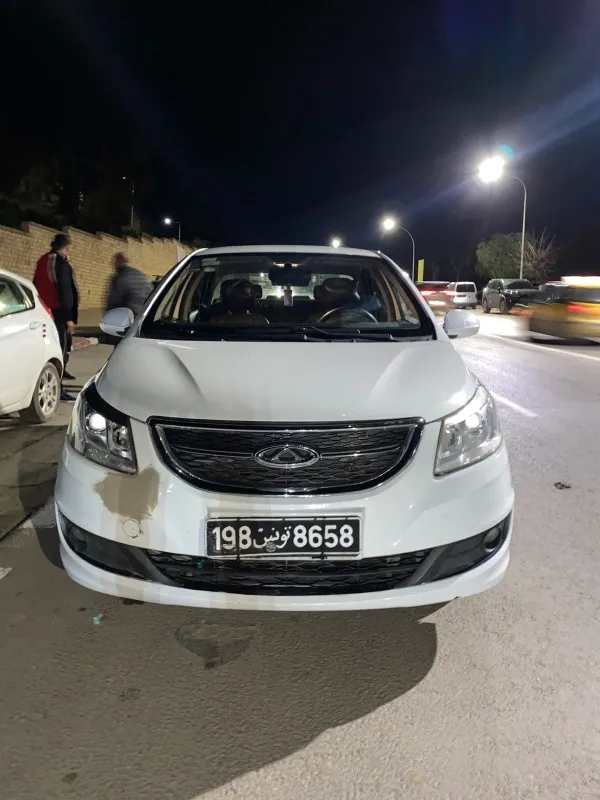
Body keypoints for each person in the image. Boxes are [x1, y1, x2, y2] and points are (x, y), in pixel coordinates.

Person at [33, 233, 79, 401]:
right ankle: (58, 388)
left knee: (53, 348)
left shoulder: (43, 260)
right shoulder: (61, 264)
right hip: (58, 313)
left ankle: (57, 376)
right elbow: (65, 291)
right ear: (66, 247)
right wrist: (69, 318)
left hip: (44, 311)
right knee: (60, 348)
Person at [106, 252, 152, 317]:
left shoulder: (119, 277)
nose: (113, 265)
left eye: (114, 262)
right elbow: (150, 291)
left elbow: (113, 301)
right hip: (143, 314)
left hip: (126, 316)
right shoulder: (140, 274)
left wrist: (109, 315)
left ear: (118, 261)